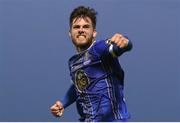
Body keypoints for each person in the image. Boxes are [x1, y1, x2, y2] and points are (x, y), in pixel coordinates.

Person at [50, 6, 132, 122]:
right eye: (76, 27)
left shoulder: (99, 49)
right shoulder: (73, 63)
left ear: (94, 33)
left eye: (86, 27)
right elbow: (78, 86)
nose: (81, 30)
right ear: (70, 33)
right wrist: (62, 103)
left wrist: (125, 42)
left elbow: (119, 47)